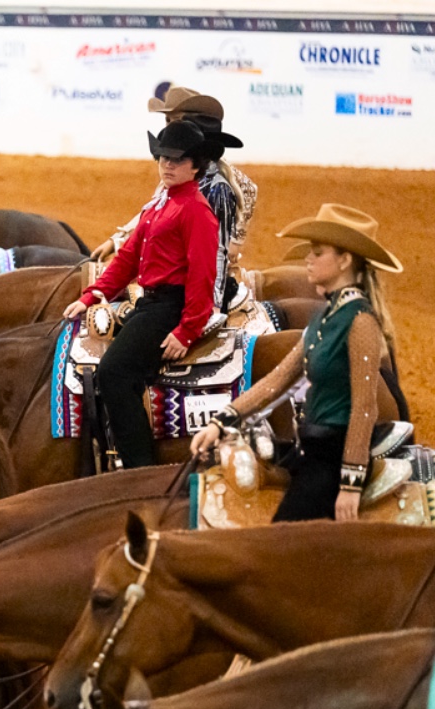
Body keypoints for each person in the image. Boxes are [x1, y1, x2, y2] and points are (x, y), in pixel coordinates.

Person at [192, 204, 402, 521]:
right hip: (309, 450)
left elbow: (364, 407)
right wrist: (222, 421)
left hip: (334, 460)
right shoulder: (323, 319)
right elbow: (277, 381)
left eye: (318, 252)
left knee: (282, 533)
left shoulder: (360, 322)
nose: (308, 258)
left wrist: (351, 483)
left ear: (344, 260)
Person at [61, 121, 220, 469]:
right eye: (163, 157)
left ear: (195, 166)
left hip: (168, 308)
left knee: (113, 373)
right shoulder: (161, 204)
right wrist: (93, 295)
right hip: (148, 303)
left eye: (177, 160)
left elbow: (202, 275)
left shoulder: (195, 210)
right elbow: (128, 257)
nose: (167, 164)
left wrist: (187, 329)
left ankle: (140, 468)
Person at [99, 87, 255, 311]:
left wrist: (236, 240)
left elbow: (247, 194)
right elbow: (154, 212)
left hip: (187, 284)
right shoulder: (182, 176)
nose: (168, 126)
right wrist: (119, 238)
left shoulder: (211, 182)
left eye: (172, 120)